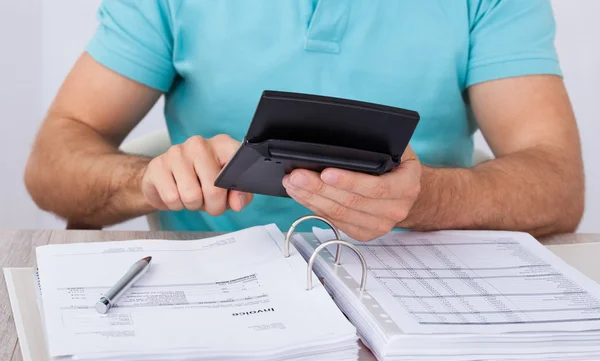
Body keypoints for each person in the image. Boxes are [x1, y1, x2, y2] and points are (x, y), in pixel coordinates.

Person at [24, 0, 584, 241]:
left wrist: (426, 198)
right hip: (221, 296)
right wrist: (143, 179)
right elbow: (54, 160)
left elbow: (557, 182)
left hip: (425, 301)